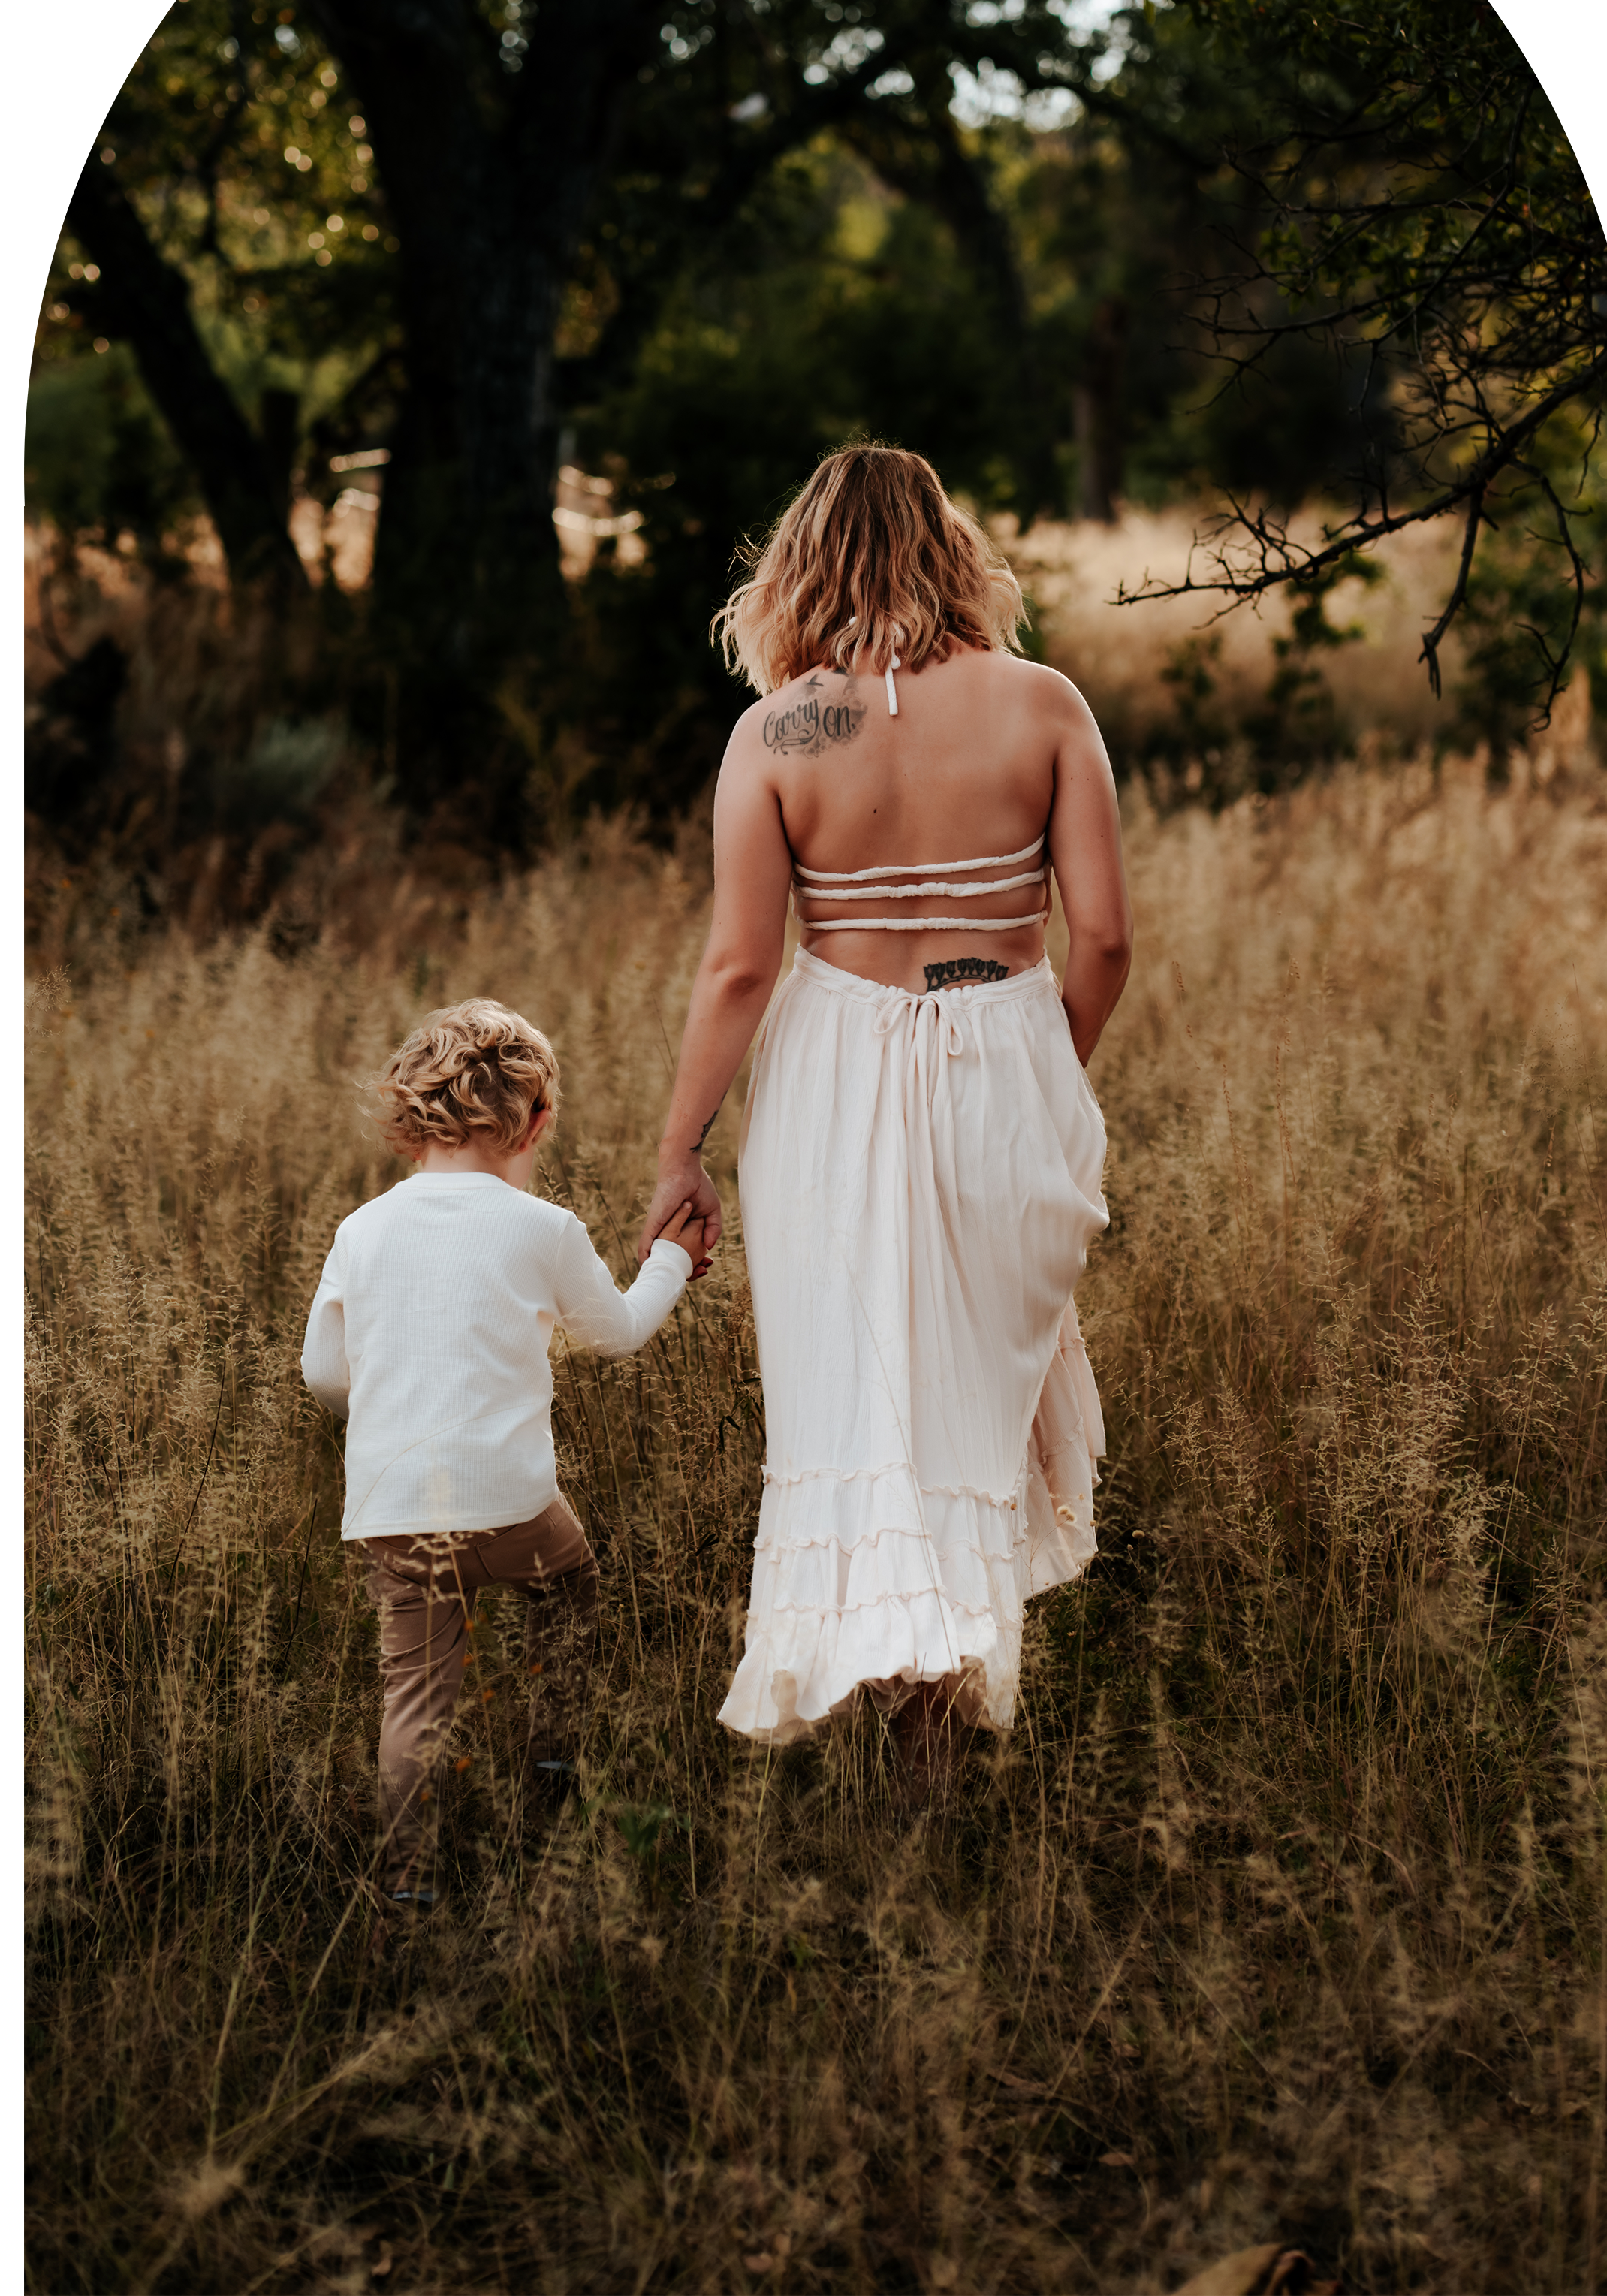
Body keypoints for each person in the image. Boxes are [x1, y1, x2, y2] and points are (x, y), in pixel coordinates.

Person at [638, 444, 1132, 1786]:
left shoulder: (780, 732)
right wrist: (1041, 1066)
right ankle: (933, 1726)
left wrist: (679, 1144)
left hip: (833, 1074)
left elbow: (741, 963)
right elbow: (1102, 935)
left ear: (797, 565)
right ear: (953, 548)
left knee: (855, 1392)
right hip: (1007, 1045)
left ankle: (890, 1729)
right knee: (968, 1391)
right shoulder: (1042, 703)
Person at [302, 997, 707, 1908]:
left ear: (411, 1117)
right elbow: (618, 1335)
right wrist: (672, 1260)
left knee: (413, 1703)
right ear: (537, 1121)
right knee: (571, 1590)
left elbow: (323, 1373)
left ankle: (402, 1905)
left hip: (396, 1510)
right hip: (515, 1508)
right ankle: (551, 1776)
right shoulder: (544, 1230)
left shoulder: (360, 1232)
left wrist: (394, 1396)